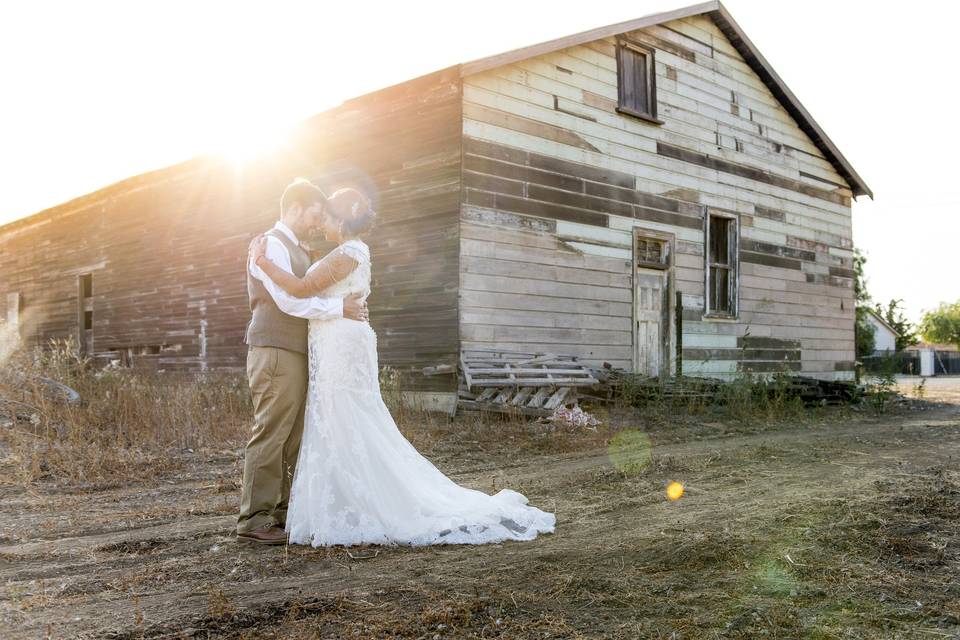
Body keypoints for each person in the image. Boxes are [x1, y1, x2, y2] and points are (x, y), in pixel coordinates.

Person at [248, 187, 555, 546]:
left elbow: (300, 289)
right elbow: (300, 294)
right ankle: (298, 508)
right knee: (328, 422)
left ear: (342, 220)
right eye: (318, 215)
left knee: (344, 419)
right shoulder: (309, 247)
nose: (321, 223)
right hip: (320, 344)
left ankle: (350, 501)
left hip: (338, 345)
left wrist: (264, 263)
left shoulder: (346, 251)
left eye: (327, 216)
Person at [238, 179, 368, 545]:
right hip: (275, 349)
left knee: (294, 435)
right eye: (314, 213)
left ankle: (279, 513)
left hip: (293, 351)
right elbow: (288, 301)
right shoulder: (270, 246)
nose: (317, 222)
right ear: (295, 207)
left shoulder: (297, 247)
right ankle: (253, 518)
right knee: (272, 431)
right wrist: (338, 307)